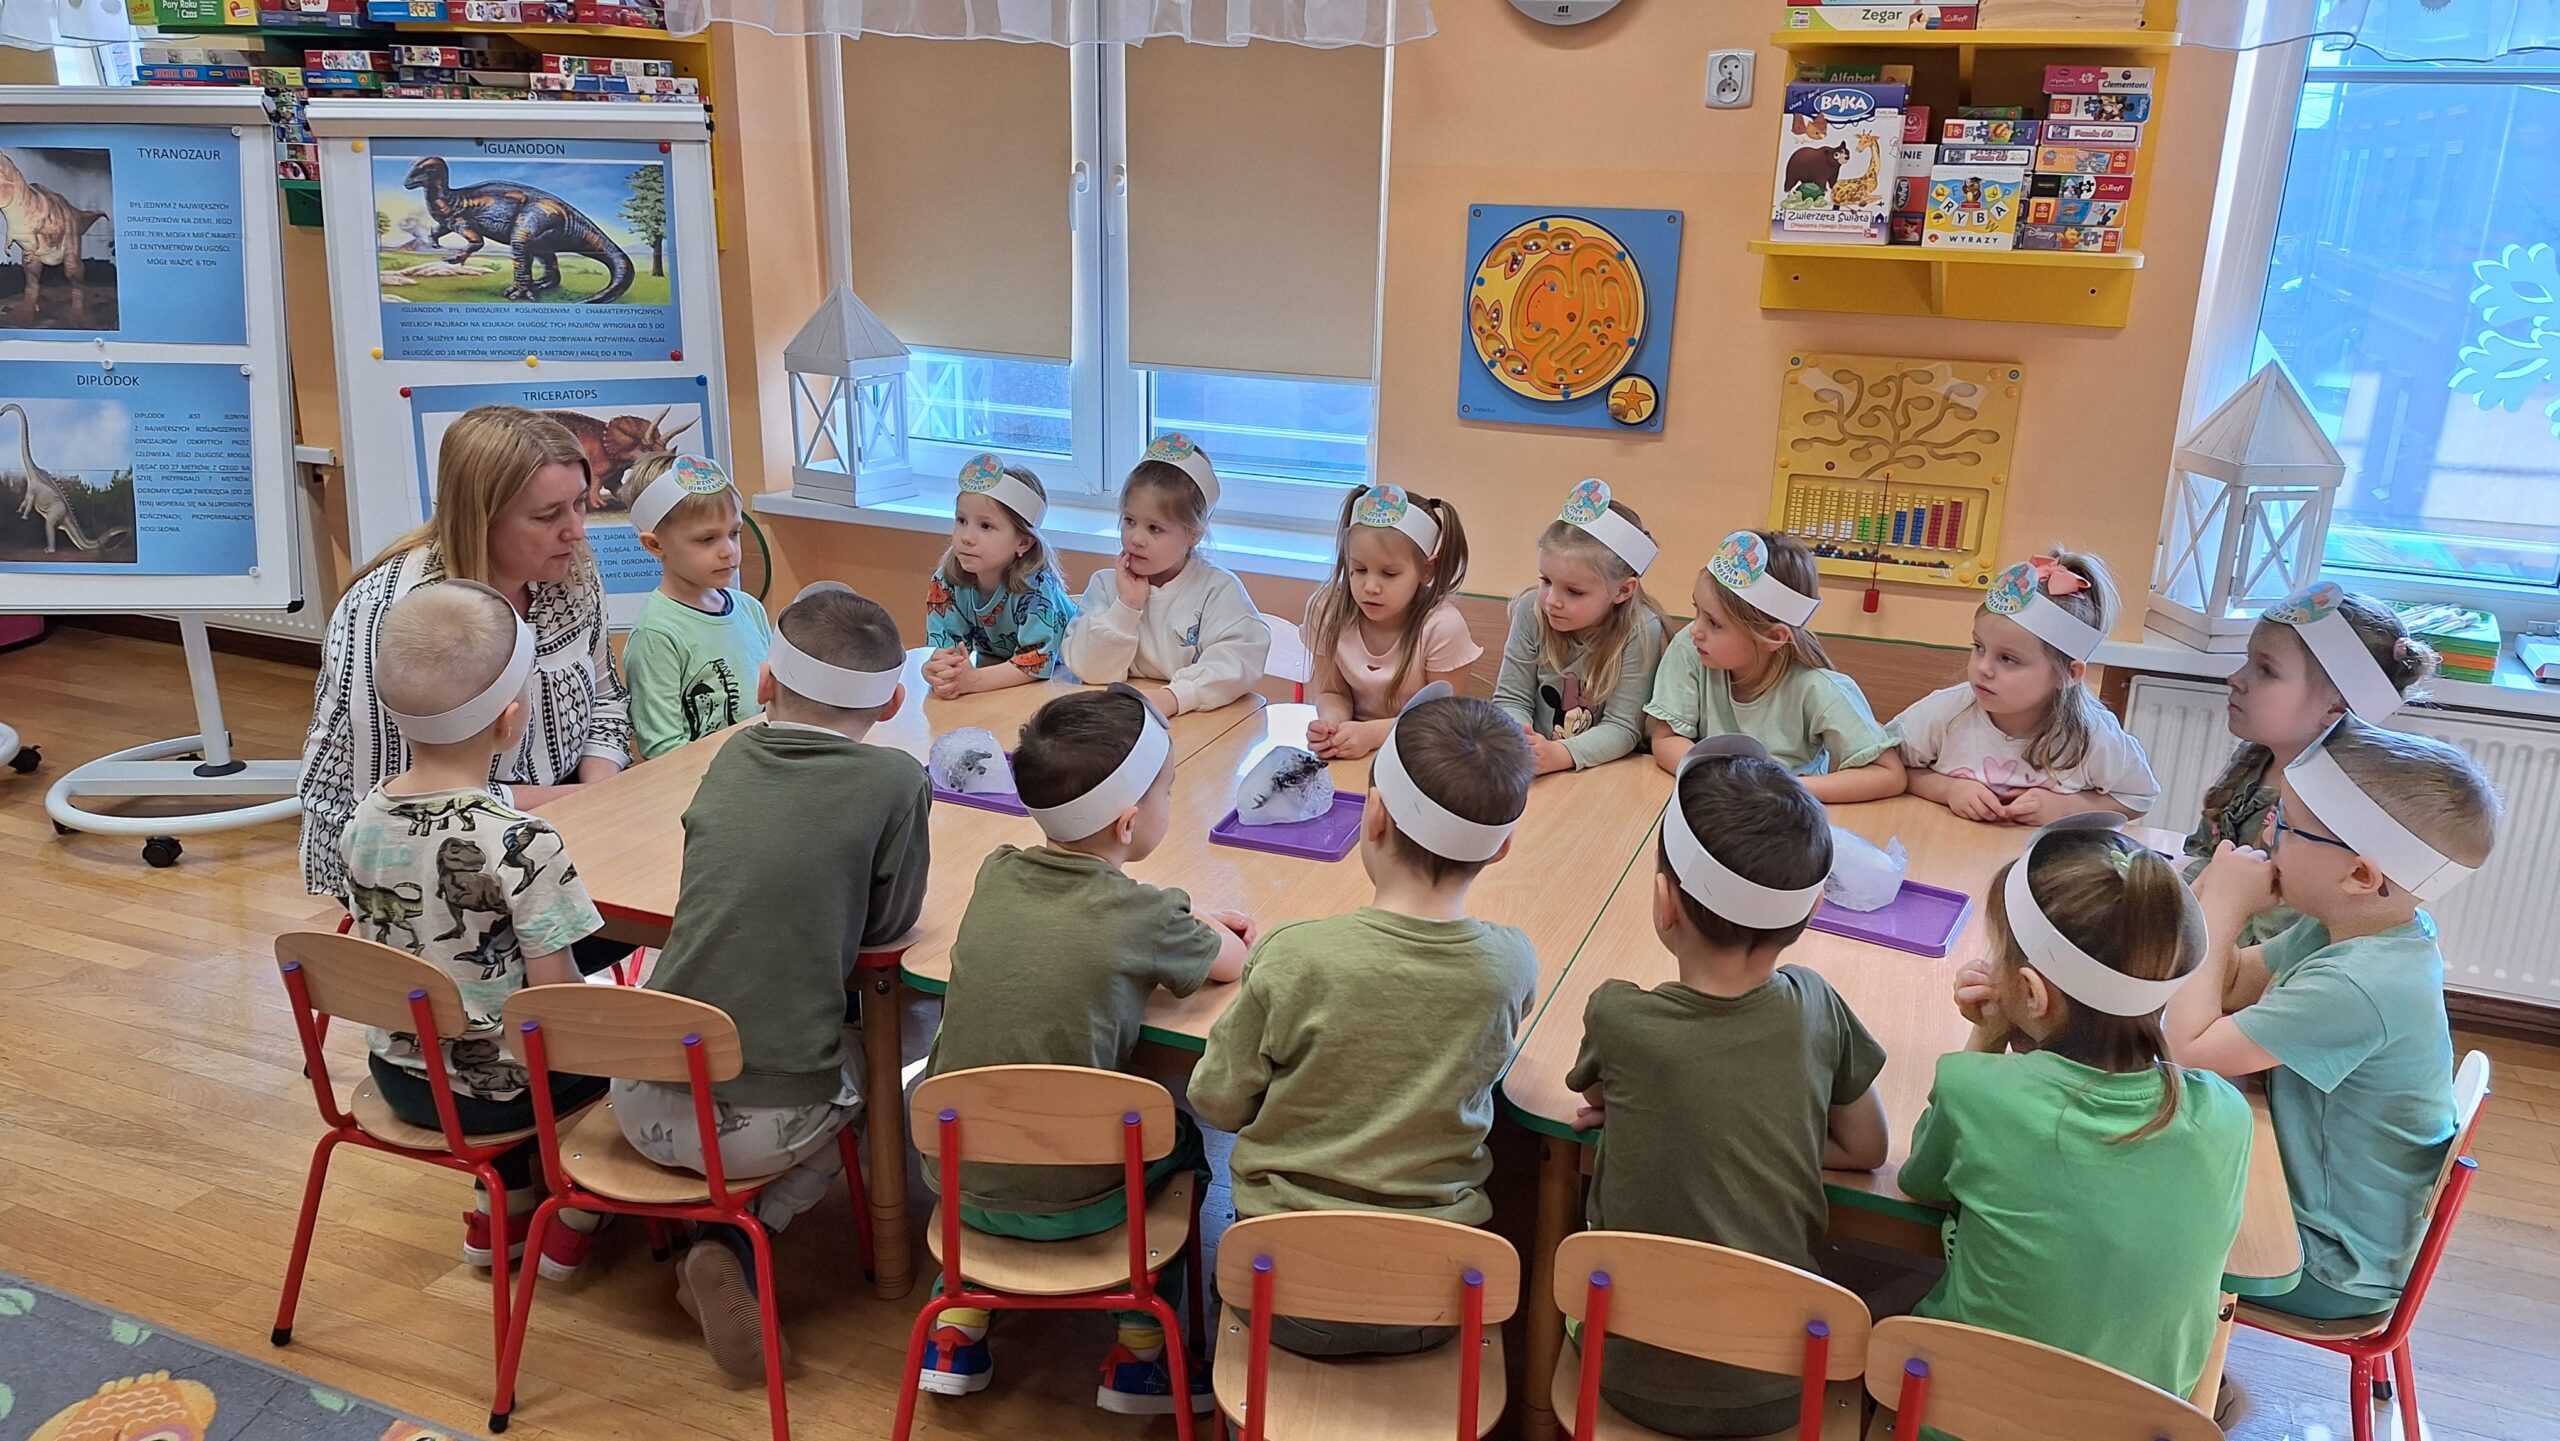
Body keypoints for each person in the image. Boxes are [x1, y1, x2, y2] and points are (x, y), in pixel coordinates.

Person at [613, 582, 930, 1381]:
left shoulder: (729, 755)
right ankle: (740, 1234)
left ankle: (597, 1220)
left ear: (765, 680)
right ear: (892, 703)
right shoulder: (895, 780)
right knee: (885, 1064)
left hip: (638, 1099)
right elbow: (888, 928)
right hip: (760, 1128)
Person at [916, 684, 1250, 1415]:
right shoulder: (1145, 914)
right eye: (1168, 789)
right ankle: (1139, 1353)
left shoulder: (996, 872)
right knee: (1182, 1140)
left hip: (960, 1176)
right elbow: (1231, 962)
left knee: (1002, 1117)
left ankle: (956, 1328)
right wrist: (1194, 920)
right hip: (1081, 1199)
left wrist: (1171, 916)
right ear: (1130, 821)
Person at [1191, 686, 1537, 1358]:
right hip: (1431, 1302)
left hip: (1277, 1290)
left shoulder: (1294, 955)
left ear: (1372, 814)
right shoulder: (1511, 964)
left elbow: (1215, 1101)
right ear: (1501, 849)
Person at [1565, 738, 1887, 1437]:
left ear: (1664, 903)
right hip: (1781, 1390)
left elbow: (1599, 1100)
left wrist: (1668, 1121)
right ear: (1809, 913)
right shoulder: (1815, 1006)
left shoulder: (1619, 1017)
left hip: (1619, 1379)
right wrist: (1772, 1134)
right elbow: (1868, 1148)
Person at [1901, 819, 2250, 1407]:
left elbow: (1921, 1184)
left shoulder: (1975, 1090)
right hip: (2143, 1424)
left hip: (1960, 1417)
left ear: (2031, 994)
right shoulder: (2226, 1113)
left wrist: (1988, 1037)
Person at [2170, 722, 2499, 1327]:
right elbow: (2234, 981)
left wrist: (2220, 905)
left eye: (2288, 825)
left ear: (2360, 876)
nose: (2267, 831)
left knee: (2119, 1210)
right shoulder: (2358, 928)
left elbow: (2188, 1047)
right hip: (2322, 1221)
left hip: (2325, 1261)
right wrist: (2216, 905)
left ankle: (2155, 1370)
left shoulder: (2359, 983)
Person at [336, 581, 610, 1280]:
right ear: (511, 719)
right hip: (500, 1093)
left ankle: (504, 1209)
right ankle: (574, 1218)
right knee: (638, 1045)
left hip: (401, 1076)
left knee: (476, 1000)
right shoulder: (522, 840)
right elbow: (553, 1007)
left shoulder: (362, 820)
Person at [300, 405, 633, 920]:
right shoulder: (395, 610)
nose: (576, 531)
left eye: (579, 505)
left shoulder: (572, 572)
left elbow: (606, 699)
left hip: (552, 812)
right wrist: (567, 804)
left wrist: (598, 788)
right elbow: (400, 796)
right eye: (548, 516)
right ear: (481, 519)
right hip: (417, 851)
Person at [2184, 581, 2435, 946]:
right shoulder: (2256, 759)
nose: (2235, 678)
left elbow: (2268, 941)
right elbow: (2201, 852)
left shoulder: (2324, 817)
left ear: (2336, 707)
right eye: (2248, 661)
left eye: (2266, 670)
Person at [1894, 552, 2159, 825]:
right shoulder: (1943, 714)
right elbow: (1889, 767)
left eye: (2008, 659)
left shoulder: (2093, 736)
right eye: (1979, 647)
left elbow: (2139, 798)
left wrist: (2067, 807)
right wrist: (1949, 789)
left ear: (2068, 674)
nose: (1983, 668)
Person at [1643, 530, 1901, 802]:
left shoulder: (1819, 689)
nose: (1696, 630)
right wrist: (1725, 782)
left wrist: (1780, 788)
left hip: (1787, 812)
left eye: (1714, 623)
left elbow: (1888, 774)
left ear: (1773, 637)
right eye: (1697, 610)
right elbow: (1666, 739)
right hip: (1716, 801)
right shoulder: (1691, 648)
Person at [1060, 433, 1272, 717]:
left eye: (1154, 528)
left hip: (1198, 720)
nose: (1136, 538)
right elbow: (1089, 670)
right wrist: (1126, 607)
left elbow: (1236, 662)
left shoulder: (1217, 590)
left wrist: (1174, 697)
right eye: (1129, 521)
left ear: (1193, 534)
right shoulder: (1106, 586)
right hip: (1124, 720)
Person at [1493, 478, 1669, 775]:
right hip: (1533, 767)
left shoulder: (1641, 630)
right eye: (1546, 580)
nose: (1551, 601)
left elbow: (1622, 727)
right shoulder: (1530, 610)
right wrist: (1520, 739)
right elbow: (1511, 699)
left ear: (1623, 591)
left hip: (1600, 774)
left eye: (1573, 592)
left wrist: (1560, 754)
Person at [1300, 482, 1478, 760]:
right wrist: (1332, 724)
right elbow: (1332, 692)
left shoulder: (1442, 627)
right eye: (1359, 569)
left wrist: (1371, 734)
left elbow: (1441, 718)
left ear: (1427, 570)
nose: (1370, 587)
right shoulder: (1327, 610)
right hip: (1355, 754)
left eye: (1389, 574)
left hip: (1422, 756)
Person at [619, 454, 772, 760]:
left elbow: (774, 704)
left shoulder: (750, 609)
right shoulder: (657, 635)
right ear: (655, 545)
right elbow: (663, 749)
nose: (729, 551)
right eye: (706, 539)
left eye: (734, 533)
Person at [922, 452, 1077, 700]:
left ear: (1023, 542)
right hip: (1004, 678)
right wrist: (939, 671)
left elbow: (1035, 663)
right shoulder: (947, 582)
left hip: (1066, 681)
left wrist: (973, 680)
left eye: (985, 526)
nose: (966, 537)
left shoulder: (1036, 589)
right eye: (961, 520)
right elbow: (947, 649)